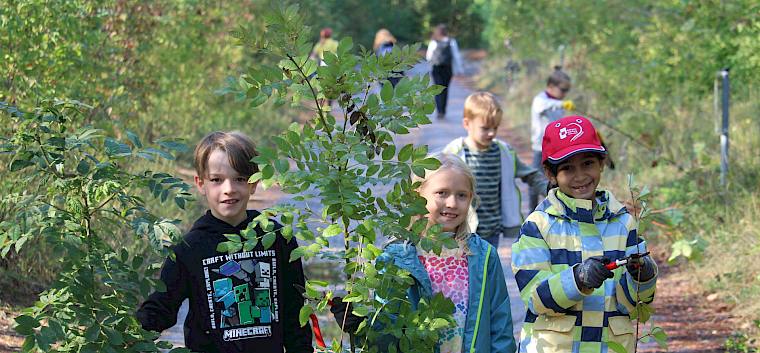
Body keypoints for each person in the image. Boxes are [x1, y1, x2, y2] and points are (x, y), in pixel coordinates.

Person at [136, 131, 312, 353]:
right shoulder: (189, 249)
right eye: (217, 180)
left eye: (239, 178)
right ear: (201, 184)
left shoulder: (277, 239)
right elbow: (162, 307)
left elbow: (295, 315)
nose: (228, 189)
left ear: (253, 182)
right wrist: (123, 335)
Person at [331, 154, 516, 353]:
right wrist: (360, 326)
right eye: (442, 193)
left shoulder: (483, 256)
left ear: (471, 197)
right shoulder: (398, 258)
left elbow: (500, 325)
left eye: (461, 195)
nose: (452, 203)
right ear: (417, 195)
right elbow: (385, 334)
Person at [511, 116, 658, 353]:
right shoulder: (537, 225)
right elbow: (535, 298)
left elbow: (633, 304)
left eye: (588, 163)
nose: (580, 176)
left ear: (602, 162)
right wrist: (578, 279)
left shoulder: (623, 223)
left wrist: (644, 277)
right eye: (568, 168)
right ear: (550, 173)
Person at [442, 92, 548, 249]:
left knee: (485, 268)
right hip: (461, 227)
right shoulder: (455, 153)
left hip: (492, 229)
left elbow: (530, 174)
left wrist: (551, 189)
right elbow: (436, 182)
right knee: (463, 269)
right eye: (485, 128)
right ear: (467, 123)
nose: (491, 133)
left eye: (495, 128)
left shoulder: (503, 152)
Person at [528, 67, 574, 210]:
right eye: (562, 90)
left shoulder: (558, 104)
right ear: (551, 86)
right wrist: (561, 104)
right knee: (535, 178)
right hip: (539, 148)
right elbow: (544, 106)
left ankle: (554, 208)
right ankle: (532, 210)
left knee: (554, 179)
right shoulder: (540, 100)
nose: (564, 94)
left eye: (567, 91)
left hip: (555, 148)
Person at [426, 24, 463, 119]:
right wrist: (459, 70)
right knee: (445, 89)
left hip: (436, 68)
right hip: (447, 68)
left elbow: (428, 57)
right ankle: (443, 110)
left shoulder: (433, 42)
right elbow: (456, 56)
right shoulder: (451, 41)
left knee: (437, 89)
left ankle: (439, 111)